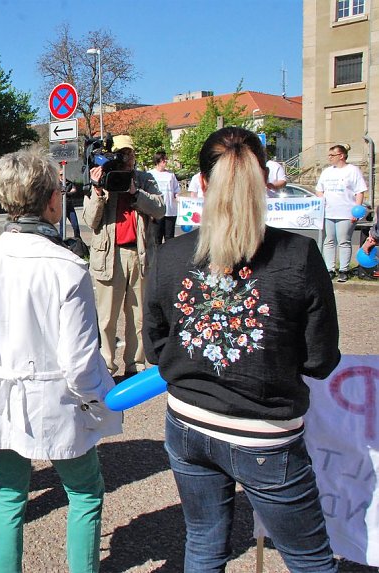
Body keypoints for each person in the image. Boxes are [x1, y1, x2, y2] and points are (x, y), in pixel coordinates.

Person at [144, 127, 340, 572]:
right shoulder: (300, 255)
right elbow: (320, 359)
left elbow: (157, 349)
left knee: (204, 546)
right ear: (265, 179)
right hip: (264, 435)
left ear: (202, 184)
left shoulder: (171, 255)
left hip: (189, 423)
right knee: (309, 560)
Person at [0, 149, 122, 573]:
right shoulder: (67, 266)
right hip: (56, 398)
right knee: (85, 492)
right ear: (51, 199)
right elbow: (80, 363)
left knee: (9, 493)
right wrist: (101, 404)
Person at [81, 135, 165, 378]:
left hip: (139, 255)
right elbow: (90, 221)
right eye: (121, 153)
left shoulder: (144, 179)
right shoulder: (103, 179)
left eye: (129, 153)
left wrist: (135, 192)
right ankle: (106, 366)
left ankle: (135, 365)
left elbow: (160, 209)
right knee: (106, 317)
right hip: (109, 255)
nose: (126, 159)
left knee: (138, 317)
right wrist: (98, 190)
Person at [316, 144, 368, 283]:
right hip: (328, 212)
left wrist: (356, 210)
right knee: (329, 241)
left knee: (344, 241)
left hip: (346, 212)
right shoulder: (327, 171)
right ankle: (330, 269)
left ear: (341, 156)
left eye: (332, 155)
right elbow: (319, 189)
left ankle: (344, 270)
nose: (330, 158)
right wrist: (321, 201)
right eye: (329, 155)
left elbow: (360, 191)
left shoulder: (353, 170)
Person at [148, 150, 179, 243]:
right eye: (163, 160)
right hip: (156, 210)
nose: (165, 162)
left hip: (170, 210)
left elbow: (176, 190)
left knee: (169, 238)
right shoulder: (150, 174)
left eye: (166, 160)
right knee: (156, 238)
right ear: (158, 161)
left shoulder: (171, 175)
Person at [61, 173, 82, 239]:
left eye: (63, 174)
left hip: (69, 206)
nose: (63, 176)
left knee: (75, 224)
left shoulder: (69, 183)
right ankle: (61, 240)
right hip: (61, 206)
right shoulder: (57, 184)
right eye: (61, 174)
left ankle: (78, 239)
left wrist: (66, 193)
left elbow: (74, 191)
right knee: (62, 226)